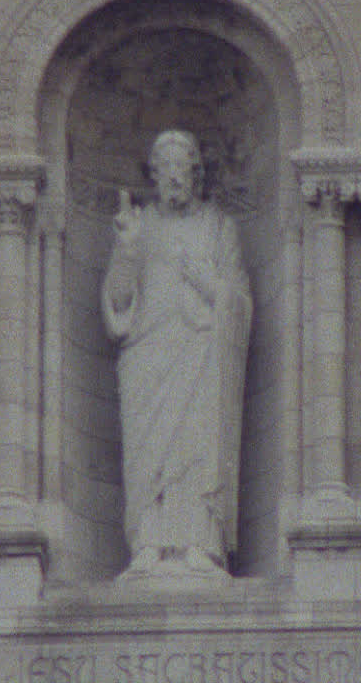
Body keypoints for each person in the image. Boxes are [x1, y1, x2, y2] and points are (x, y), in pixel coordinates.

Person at [102, 129, 252, 578]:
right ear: (153, 175)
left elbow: (240, 302)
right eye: (164, 167)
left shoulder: (219, 227)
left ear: (196, 173)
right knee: (148, 452)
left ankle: (201, 545)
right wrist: (126, 250)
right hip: (147, 356)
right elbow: (118, 299)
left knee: (198, 446)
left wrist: (206, 282)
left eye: (181, 166)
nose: (173, 176)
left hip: (201, 353)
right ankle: (148, 542)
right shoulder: (137, 225)